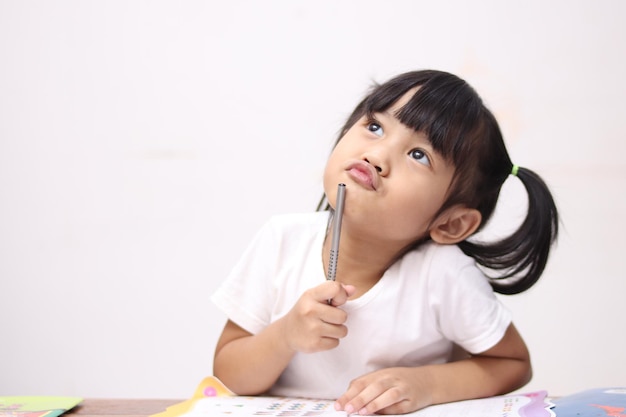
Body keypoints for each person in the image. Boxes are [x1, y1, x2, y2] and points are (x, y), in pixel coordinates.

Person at [211, 70, 559, 415]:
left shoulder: (443, 274)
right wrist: (285, 334)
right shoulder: (281, 240)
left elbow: (512, 363)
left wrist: (425, 385)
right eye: (375, 127)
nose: (376, 156)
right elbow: (229, 374)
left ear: (451, 223)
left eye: (419, 155)